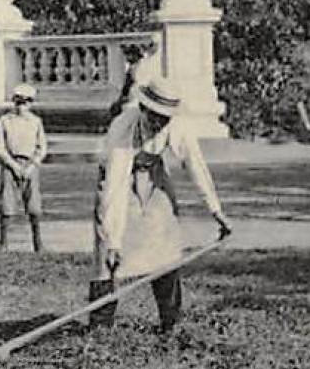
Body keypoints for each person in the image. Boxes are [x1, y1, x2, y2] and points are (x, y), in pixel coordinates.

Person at [89, 75, 232, 333]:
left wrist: (216, 211)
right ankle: (100, 327)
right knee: (109, 258)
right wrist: (113, 241)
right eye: (153, 116)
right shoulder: (123, 129)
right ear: (143, 108)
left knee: (166, 246)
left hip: (153, 176)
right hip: (119, 181)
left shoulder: (177, 126)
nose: (158, 123)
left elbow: (195, 166)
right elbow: (114, 190)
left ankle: (170, 322)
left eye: (164, 118)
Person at [0, 83, 47, 252]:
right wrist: (12, 164)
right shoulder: (5, 121)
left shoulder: (36, 122)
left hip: (30, 163)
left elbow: (42, 147)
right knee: (7, 202)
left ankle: (37, 241)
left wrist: (33, 165)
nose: (21, 106)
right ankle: (3, 242)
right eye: (18, 102)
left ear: (31, 103)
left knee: (34, 203)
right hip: (11, 163)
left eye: (26, 102)